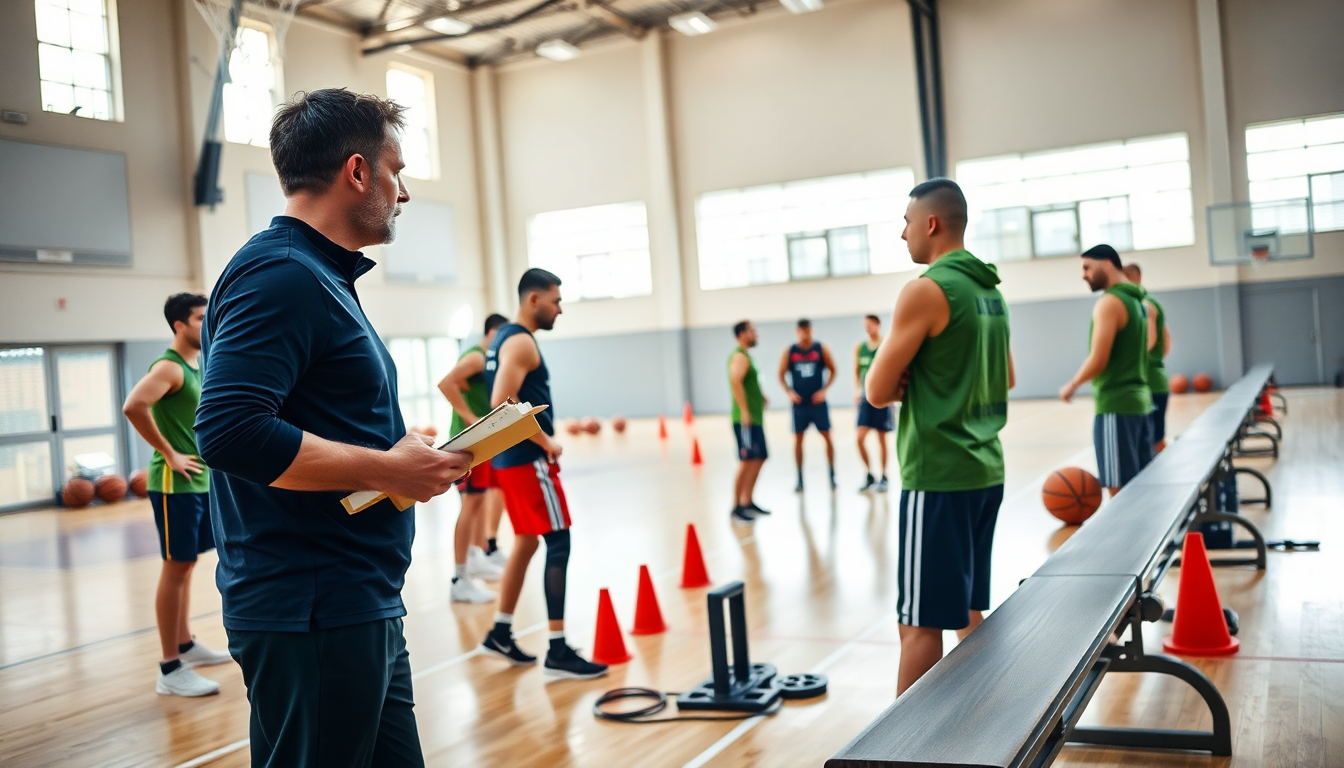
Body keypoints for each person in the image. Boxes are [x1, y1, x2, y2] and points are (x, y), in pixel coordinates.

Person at [195, 89, 471, 768]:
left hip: (356, 598)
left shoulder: (317, 274)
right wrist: (388, 468)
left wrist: (398, 453)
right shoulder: (282, 276)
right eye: (395, 172)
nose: (403, 193)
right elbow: (229, 431)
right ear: (357, 171)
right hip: (313, 605)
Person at [865, 179, 1013, 695]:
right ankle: (992, 716)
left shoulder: (926, 290)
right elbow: (1007, 376)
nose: (902, 233)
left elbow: (876, 390)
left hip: (938, 476)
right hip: (985, 469)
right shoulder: (990, 291)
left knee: (919, 625)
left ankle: (905, 740)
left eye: (906, 223)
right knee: (967, 611)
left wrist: (907, 376)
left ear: (931, 224)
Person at [479, 268, 608, 680]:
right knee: (559, 541)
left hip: (509, 460)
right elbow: (502, 401)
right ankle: (558, 649)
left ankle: (500, 630)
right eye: (556, 301)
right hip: (527, 460)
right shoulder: (520, 340)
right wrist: (545, 441)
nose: (560, 309)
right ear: (533, 299)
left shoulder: (503, 338)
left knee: (527, 541)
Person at [122, 292, 233, 697]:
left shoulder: (196, 365)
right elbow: (134, 406)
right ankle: (170, 668)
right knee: (175, 568)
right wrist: (169, 453)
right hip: (174, 485)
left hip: (200, 482)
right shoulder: (168, 367)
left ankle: (185, 645)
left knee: (185, 565)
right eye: (201, 318)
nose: (208, 323)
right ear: (179, 325)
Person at [1060, 245, 1153, 496]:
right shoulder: (1138, 301)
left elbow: (1099, 359)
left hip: (1116, 406)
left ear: (1108, 263)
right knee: (1142, 489)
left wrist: (1072, 384)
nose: (1084, 275)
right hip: (1140, 403)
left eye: (1087, 267)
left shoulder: (1110, 302)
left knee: (1118, 490)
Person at [437, 313, 511, 604]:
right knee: (470, 505)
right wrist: (470, 418)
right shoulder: (477, 357)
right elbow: (447, 383)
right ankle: (459, 578)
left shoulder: (488, 359)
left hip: (481, 442)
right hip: (468, 443)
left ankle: (475, 557)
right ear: (491, 332)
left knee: (478, 501)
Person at [779, 319, 838, 492]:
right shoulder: (790, 351)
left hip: (817, 403)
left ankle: (832, 475)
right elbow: (780, 374)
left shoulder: (820, 348)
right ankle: (799, 479)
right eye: (801, 331)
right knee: (798, 440)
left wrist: (824, 390)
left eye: (807, 330)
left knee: (827, 437)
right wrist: (789, 392)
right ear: (797, 332)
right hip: (800, 405)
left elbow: (833, 370)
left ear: (811, 330)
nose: (805, 334)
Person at [1122, 263, 1173, 453]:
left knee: (1150, 443)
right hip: (1158, 378)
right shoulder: (1153, 302)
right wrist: (1155, 362)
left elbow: (1149, 340)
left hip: (1147, 383)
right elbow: (1167, 343)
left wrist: (1129, 366)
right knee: (1156, 439)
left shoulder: (1142, 304)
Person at [729, 320, 770, 523]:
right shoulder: (739, 357)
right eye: (752, 331)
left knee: (760, 457)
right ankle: (737, 507)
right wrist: (745, 411)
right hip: (745, 420)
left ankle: (748, 501)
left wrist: (761, 396)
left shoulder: (747, 356)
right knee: (747, 461)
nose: (756, 334)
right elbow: (735, 381)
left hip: (755, 418)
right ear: (742, 335)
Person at [854, 314, 894, 492]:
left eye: (870, 325)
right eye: (866, 326)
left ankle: (884, 476)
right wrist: (856, 391)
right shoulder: (860, 348)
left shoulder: (886, 344)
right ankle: (869, 474)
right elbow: (856, 371)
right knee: (859, 438)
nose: (868, 329)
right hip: (865, 398)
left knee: (881, 437)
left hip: (883, 398)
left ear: (878, 325)